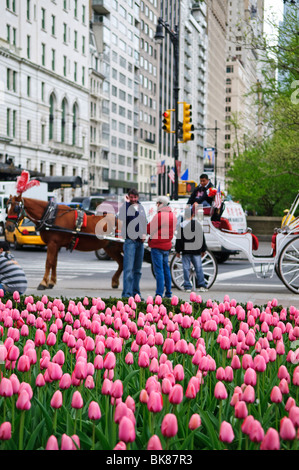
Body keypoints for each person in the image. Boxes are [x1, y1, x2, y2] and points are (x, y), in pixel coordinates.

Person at [118, 188, 147, 299]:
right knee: (128, 269)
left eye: (135, 197)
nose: (133, 199)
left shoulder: (141, 207)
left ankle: (136, 293)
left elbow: (144, 222)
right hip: (130, 241)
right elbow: (121, 217)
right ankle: (126, 294)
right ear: (128, 197)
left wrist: (144, 234)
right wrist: (126, 204)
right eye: (131, 197)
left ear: (137, 197)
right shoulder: (125, 207)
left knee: (138, 271)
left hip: (140, 242)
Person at [147, 196, 177, 299]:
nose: (156, 205)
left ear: (160, 203)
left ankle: (159, 293)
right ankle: (168, 293)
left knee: (158, 271)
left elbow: (150, 229)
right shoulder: (172, 215)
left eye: (157, 203)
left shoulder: (159, 215)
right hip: (166, 245)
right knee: (166, 269)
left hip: (157, 245)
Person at [175, 207, 208, 292]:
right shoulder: (197, 224)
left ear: (185, 215)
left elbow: (179, 239)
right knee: (199, 268)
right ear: (193, 215)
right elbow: (201, 237)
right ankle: (201, 285)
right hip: (196, 249)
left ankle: (187, 285)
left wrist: (178, 250)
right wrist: (203, 249)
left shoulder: (182, 225)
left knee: (186, 268)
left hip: (186, 250)